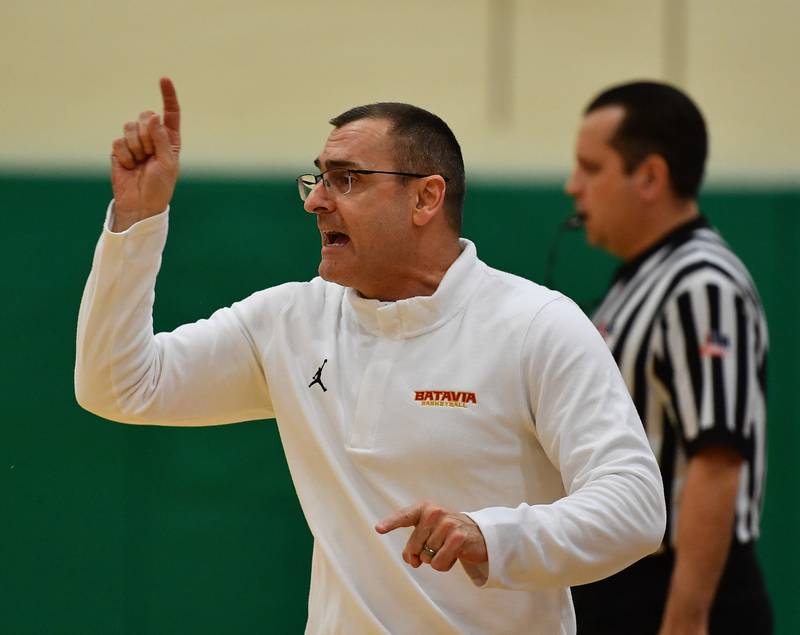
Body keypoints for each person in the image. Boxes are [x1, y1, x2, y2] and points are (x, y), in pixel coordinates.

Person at [75, 77, 665, 634]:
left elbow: (635, 506)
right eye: (317, 180)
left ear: (426, 198)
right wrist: (137, 219)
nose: (317, 202)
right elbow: (120, 385)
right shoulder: (289, 321)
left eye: (347, 179)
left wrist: (489, 533)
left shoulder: (537, 324)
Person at [565, 81, 772, 634]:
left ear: (650, 177)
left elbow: (717, 458)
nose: (573, 187)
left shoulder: (701, 285)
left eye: (591, 167)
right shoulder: (640, 278)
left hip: (675, 591)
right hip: (624, 583)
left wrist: (685, 618)